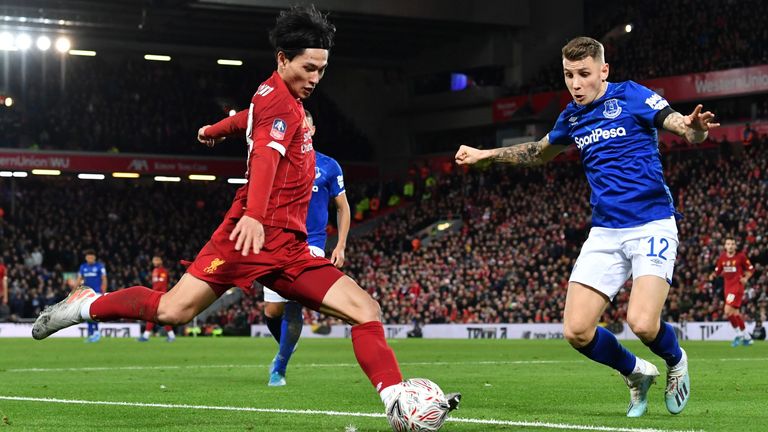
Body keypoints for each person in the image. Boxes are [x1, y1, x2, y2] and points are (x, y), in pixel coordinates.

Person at [33, 5, 458, 425]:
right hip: (247, 236)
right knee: (173, 312)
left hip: (289, 247)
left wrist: (213, 131)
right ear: (282, 59)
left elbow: (247, 119)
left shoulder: (272, 95)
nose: (316, 79)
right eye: (309, 68)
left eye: (322, 70)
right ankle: (86, 306)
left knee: (366, 309)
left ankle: (396, 403)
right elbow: (267, 159)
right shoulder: (282, 107)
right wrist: (254, 214)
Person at [455, 36, 719, 417]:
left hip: (652, 225)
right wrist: (485, 155)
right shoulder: (572, 117)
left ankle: (675, 360)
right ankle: (635, 373)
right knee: (576, 331)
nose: (575, 84)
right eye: (568, 75)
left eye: (583, 74)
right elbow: (536, 153)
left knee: (643, 324)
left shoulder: (632, 96)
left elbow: (683, 127)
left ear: (603, 71)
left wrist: (696, 128)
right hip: (606, 231)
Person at [199, 109, 351, 386]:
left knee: (293, 307)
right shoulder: (280, 162)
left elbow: (342, 206)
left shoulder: (328, 166)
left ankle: (279, 367)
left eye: (306, 124)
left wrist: (339, 244)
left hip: (311, 243)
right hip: (277, 241)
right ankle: (287, 344)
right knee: (272, 311)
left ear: (312, 131)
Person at [709, 237, 754, 347]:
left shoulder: (741, 256)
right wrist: (712, 275)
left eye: (732, 244)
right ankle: (747, 337)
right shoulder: (722, 258)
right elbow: (718, 270)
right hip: (727, 288)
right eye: (728, 244)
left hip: (737, 287)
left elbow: (751, 269)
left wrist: (746, 278)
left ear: (735, 246)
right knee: (735, 313)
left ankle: (738, 334)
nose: (730, 246)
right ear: (725, 246)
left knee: (727, 310)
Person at [138, 255, 176, 342]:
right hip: (156, 295)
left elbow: (161, 285)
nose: (154, 262)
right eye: (153, 260)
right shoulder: (154, 271)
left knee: (154, 315)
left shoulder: (163, 271)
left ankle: (146, 336)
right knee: (155, 315)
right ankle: (170, 336)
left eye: (156, 260)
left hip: (161, 296)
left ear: (160, 261)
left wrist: (153, 294)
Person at [76, 250, 107, 342]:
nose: (89, 259)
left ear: (94, 257)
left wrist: (103, 292)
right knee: (86, 313)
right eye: (88, 257)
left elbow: (104, 279)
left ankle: (96, 332)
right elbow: (79, 279)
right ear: (86, 258)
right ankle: (91, 333)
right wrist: (75, 291)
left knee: (94, 313)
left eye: (91, 257)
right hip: (87, 293)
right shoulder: (83, 267)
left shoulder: (100, 266)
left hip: (97, 293)